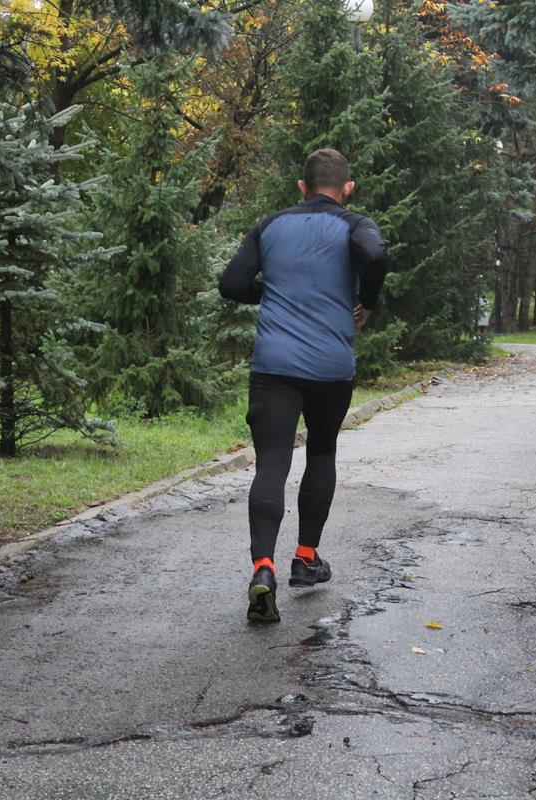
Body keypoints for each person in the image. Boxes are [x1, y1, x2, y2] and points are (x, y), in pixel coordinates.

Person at [219, 148, 388, 623]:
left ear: (301, 186)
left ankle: (263, 568)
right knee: (321, 452)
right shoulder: (354, 225)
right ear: (347, 188)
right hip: (331, 367)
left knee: (271, 463)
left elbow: (231, 283)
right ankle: (306, 558)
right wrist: (368, 301)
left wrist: (271, 291)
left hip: (273, 366)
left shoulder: (270, 225)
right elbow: (376, 254)